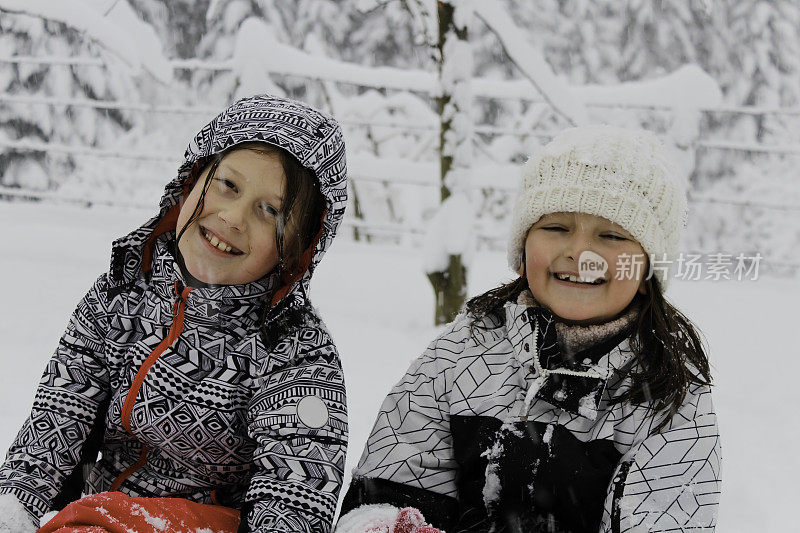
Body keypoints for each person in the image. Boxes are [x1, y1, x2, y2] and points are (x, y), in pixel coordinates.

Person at [337, 125, 721, 533]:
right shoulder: (459, 354)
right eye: (557, 228)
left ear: (646, 271)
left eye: (611, 235)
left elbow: (671, 516)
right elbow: (390, 484)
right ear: (523, 249)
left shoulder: (668, 394)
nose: (580, 252)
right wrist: (388, 524)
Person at [0, 94, 349, 533]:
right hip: (102, 513)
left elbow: (295, 491)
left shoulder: (295, 352)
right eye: (228, 185)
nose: (233, 216)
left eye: (270, 211)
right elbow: (62, 408)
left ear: (300, 247)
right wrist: (14, 503)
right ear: (193, 179)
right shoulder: (125, 289)